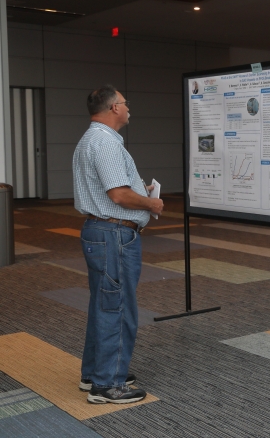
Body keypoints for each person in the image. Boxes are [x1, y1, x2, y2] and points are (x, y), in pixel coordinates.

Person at [73, 85, 164, 404]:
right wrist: (150, 203)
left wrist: (140, 190)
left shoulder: (91, 139)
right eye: (125, 103)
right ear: (113, 108)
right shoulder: (105, 142)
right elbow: (118, 195)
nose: (128, 108)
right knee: (118, 307)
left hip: (101, 231)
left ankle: (94, 373)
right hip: (113, 235)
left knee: (104, 304)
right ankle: (108, 384)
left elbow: (115, 188)